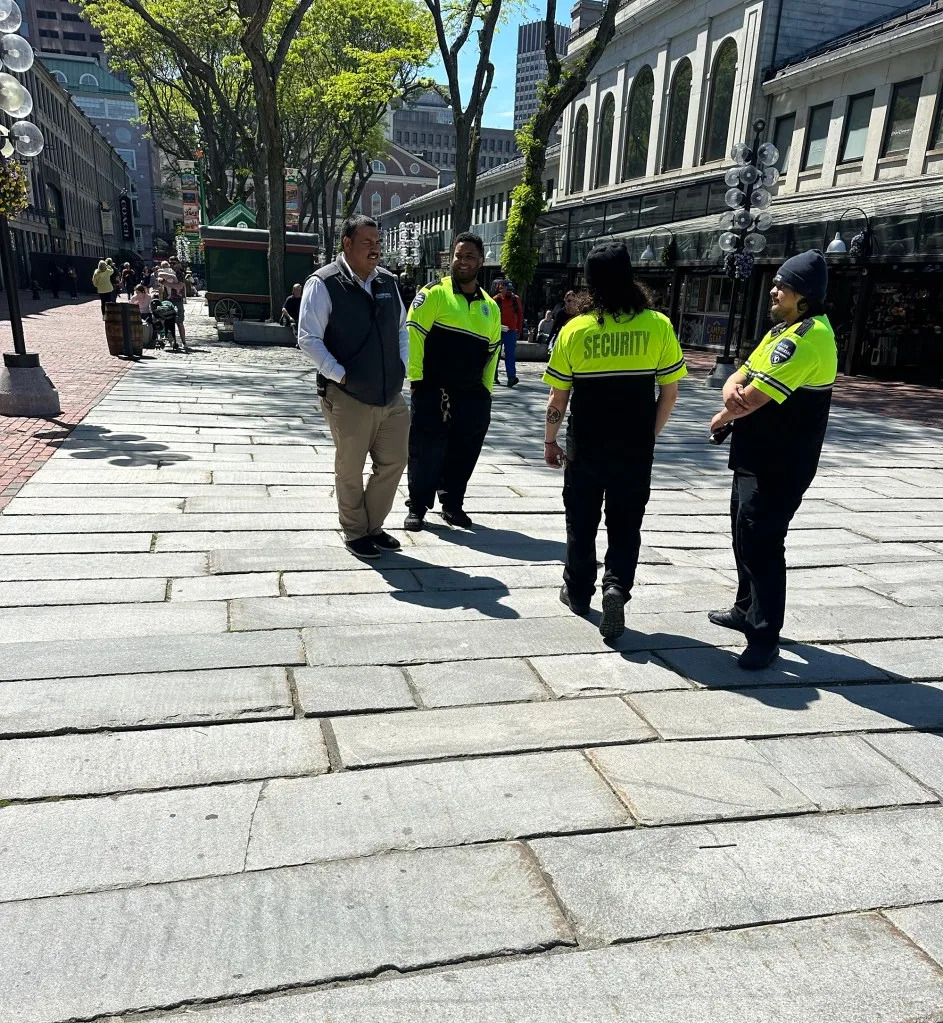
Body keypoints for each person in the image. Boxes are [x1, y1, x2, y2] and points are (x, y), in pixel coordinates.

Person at [543, 241, 686, 639]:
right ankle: (616, 587)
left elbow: (558, 397)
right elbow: (670, 393)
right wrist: (648, 436)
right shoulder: (658, 325)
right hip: (634, 448)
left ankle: (577, 591)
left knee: (581, 522)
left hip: (585, 446)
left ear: (590, 286)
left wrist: (550, 441)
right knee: (626, 524)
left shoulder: (576, 330)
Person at [708, 250, 837, 670]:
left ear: (805, 296)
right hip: (755, 454)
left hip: (780, 462)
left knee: (762, 543)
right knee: (743, 535)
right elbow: (740, 375)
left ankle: (765, 636)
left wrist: (725, 411)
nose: (773, 289)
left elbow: (753, 397)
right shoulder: (783, 330)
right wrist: (731, 388)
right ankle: (746, 608)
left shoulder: (808, 337)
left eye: (783, 285)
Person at [298, 214, 409, 560]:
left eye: (378, 243)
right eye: (368, 243)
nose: (376, 249)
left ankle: (372, 526)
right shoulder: (324, 283)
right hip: (347, 395)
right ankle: (355, 531)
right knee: (350, 467)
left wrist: (401, 366)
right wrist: (339, 374)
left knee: (394, 461)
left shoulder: (387, 282)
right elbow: (308, 338)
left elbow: (402, 328)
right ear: (347, 244)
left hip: (390, 393)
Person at [404, 232, 502, 531]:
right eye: (458, 255)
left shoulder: (491, 307)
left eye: (469, 256)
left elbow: (493, 351)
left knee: (465, 452)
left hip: (473, 394)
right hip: (434, 388)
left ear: (481, 262)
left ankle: (452, 504)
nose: (462, 262)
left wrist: (486, 391)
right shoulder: (433, 293)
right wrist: (418, 382)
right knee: (426, 449)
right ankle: (418, 507)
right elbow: (413, 336)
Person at [493, 278, 523, 387]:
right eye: (507, 290)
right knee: (495, 354)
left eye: (510, 290)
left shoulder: (516, 299)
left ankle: (511, 377)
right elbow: (491, 317)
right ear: (501, 290)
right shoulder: (496, 300)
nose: (509, 292)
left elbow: (520, 315)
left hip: (511, 332)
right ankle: (493, 376)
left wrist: (518, 330)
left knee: (510, 355)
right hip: (497, 331)